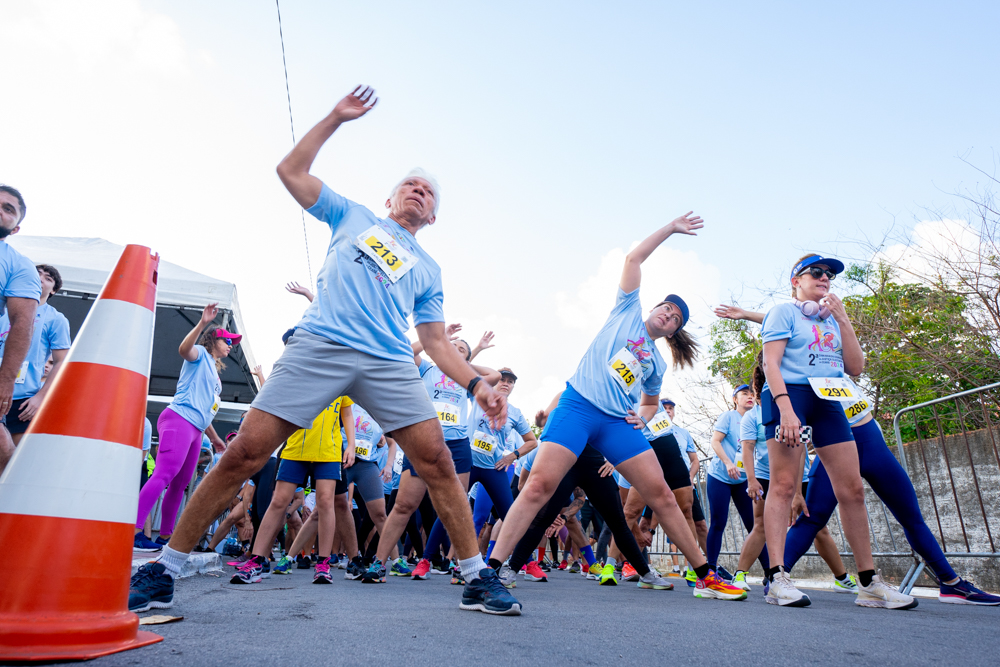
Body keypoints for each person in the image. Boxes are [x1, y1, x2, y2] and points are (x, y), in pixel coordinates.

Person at [128, 86, 519, 616]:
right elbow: (290, 170)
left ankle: (476, 577)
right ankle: (163, 569)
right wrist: (336, 117)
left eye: (428, 192)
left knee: (438, 462)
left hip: (386, 361)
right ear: (389, 199)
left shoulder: (429, 270)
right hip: (321, 345)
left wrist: (477, 384)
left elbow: (432, 343)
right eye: (410, 185)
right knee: (245, 452)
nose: (418, 191)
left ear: (433, 217)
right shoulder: (354, 217)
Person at [486, 214, 746, 601]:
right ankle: (495, 569)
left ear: (673, 332)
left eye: (674, 319)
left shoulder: (656, 363)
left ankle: (705, 576)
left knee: (661, 492)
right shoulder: (626, 309)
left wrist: (639, 419)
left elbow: (652, 402)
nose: (668, 315)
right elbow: (633, 260)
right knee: (540, 485)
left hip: (615, 424)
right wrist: (671, 229)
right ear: (653, 307)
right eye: (666, 308)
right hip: (577, 407)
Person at [753, 254, 915, 609]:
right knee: (782, 486)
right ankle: (777, 578)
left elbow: (855, 367)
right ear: (796, 279)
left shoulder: (830, 321)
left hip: (827, 397)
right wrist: (785, 409)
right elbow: (771, 363)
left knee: (852, 489)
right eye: (816, 272)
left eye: (829, 274)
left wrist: (842, 318)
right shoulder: (784, 312)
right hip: (790, 395)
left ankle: (869, 583)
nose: (825, 277)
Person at [369, 330, 501, 583]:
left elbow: (493, 376)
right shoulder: (428, 369)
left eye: (461, 348)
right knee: (404, 505)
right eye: (451, 345)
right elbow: (407, 352)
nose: (454, 348)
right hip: (423, 442)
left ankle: (462, 567)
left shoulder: (465, 377)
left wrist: (460, 359)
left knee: (457, 506)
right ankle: (378, 563)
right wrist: (435, 342)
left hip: (458, 446)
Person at [728, 352, 855, 593]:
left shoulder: (799, 404)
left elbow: (799, 452)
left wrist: (798, 491)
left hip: (800, 476)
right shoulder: (754, 416)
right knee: (761, 526)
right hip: (767, 477)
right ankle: (741, 575)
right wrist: (752, 481)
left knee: (818, 526)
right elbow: (747, 450)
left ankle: (841, 577)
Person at [133, 304, 234, 552]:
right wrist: (202, 323)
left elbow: (205, 409)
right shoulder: (199, 352)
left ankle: (166, 537)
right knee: (164, 475)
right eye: (228, 341)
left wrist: (215, 438)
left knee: (180, 484)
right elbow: (183, 349)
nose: (231, 345)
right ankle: (133, 531)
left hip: (197, 430)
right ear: (214, 340)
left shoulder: (214, 373)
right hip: (179, 419)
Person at [231, 396, 353, 584]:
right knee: (279, 501)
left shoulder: (343, 376)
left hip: (329, 451)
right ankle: (256, 559)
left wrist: (351, 445)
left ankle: (323, 563)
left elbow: (347, 412)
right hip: (295, 449)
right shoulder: (301, 370)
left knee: (326, 502)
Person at [0, 264, 71, 444]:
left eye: (48, 278)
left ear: (54, 290)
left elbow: (61, 362)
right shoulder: (4, 308)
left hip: (23, 401)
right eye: (37, 273)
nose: (40, 278)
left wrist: (40, 397)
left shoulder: (56, 319)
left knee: (12, 462)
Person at [0, 184, 41, 476]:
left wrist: (5, 382)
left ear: (16, 228)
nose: (1, 210)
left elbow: (22, 325)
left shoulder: (19, 265)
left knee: (6, 456)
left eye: (8, 209)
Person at [703, 385, 761, 581]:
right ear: (735, 399)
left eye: (752, 394)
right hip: (720, 476)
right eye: (744, 394)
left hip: (744, 480)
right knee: (719, 522)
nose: (749, 397)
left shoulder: (756, 419)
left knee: (755, 525)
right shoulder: (728, 417)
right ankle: (711, 569)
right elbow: (715, 441)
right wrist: (728, 463)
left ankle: (771, 573)